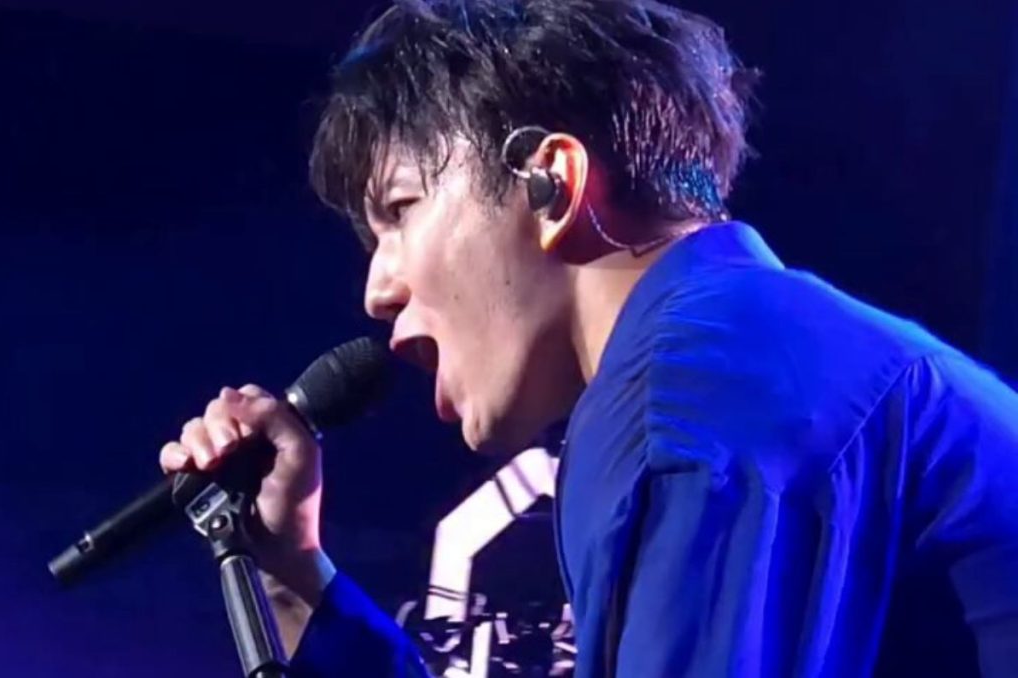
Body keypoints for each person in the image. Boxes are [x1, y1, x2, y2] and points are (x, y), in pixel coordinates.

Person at [159, 1, 1018, 676]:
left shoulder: (689, 389)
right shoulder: (740, 356)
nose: (377, 291)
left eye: (401, 209)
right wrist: (290, 575)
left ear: (553, 184)